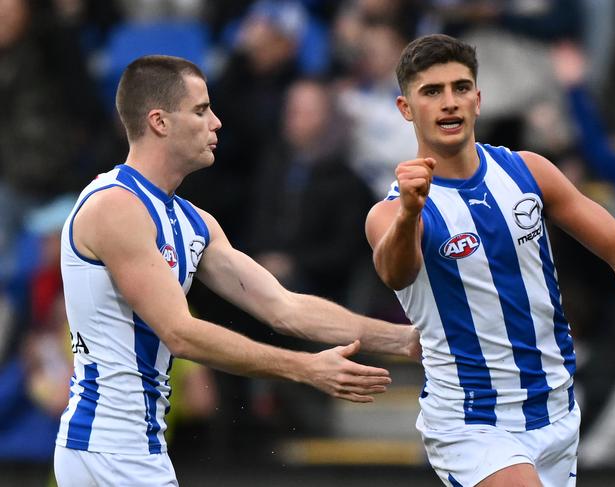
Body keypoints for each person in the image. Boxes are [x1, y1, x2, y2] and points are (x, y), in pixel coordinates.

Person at [53, 54, 419, 487]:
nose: (217, 122)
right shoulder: (116, 206)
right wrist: (304, 368)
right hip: (106, 449)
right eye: (201, 110)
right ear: (159, 121)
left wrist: (407, 341)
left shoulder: (193, 221)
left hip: (135, 448)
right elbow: (180, 332)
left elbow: (286, 308)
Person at [365, 34, 615, 487]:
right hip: (472, 419)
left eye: (460, 88)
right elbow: (396, 271)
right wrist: (410, 213)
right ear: (405, 108)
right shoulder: (392, 212)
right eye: (432, 92)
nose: (449, 103)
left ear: (478, 99)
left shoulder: (529, 171)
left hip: (556, 409)